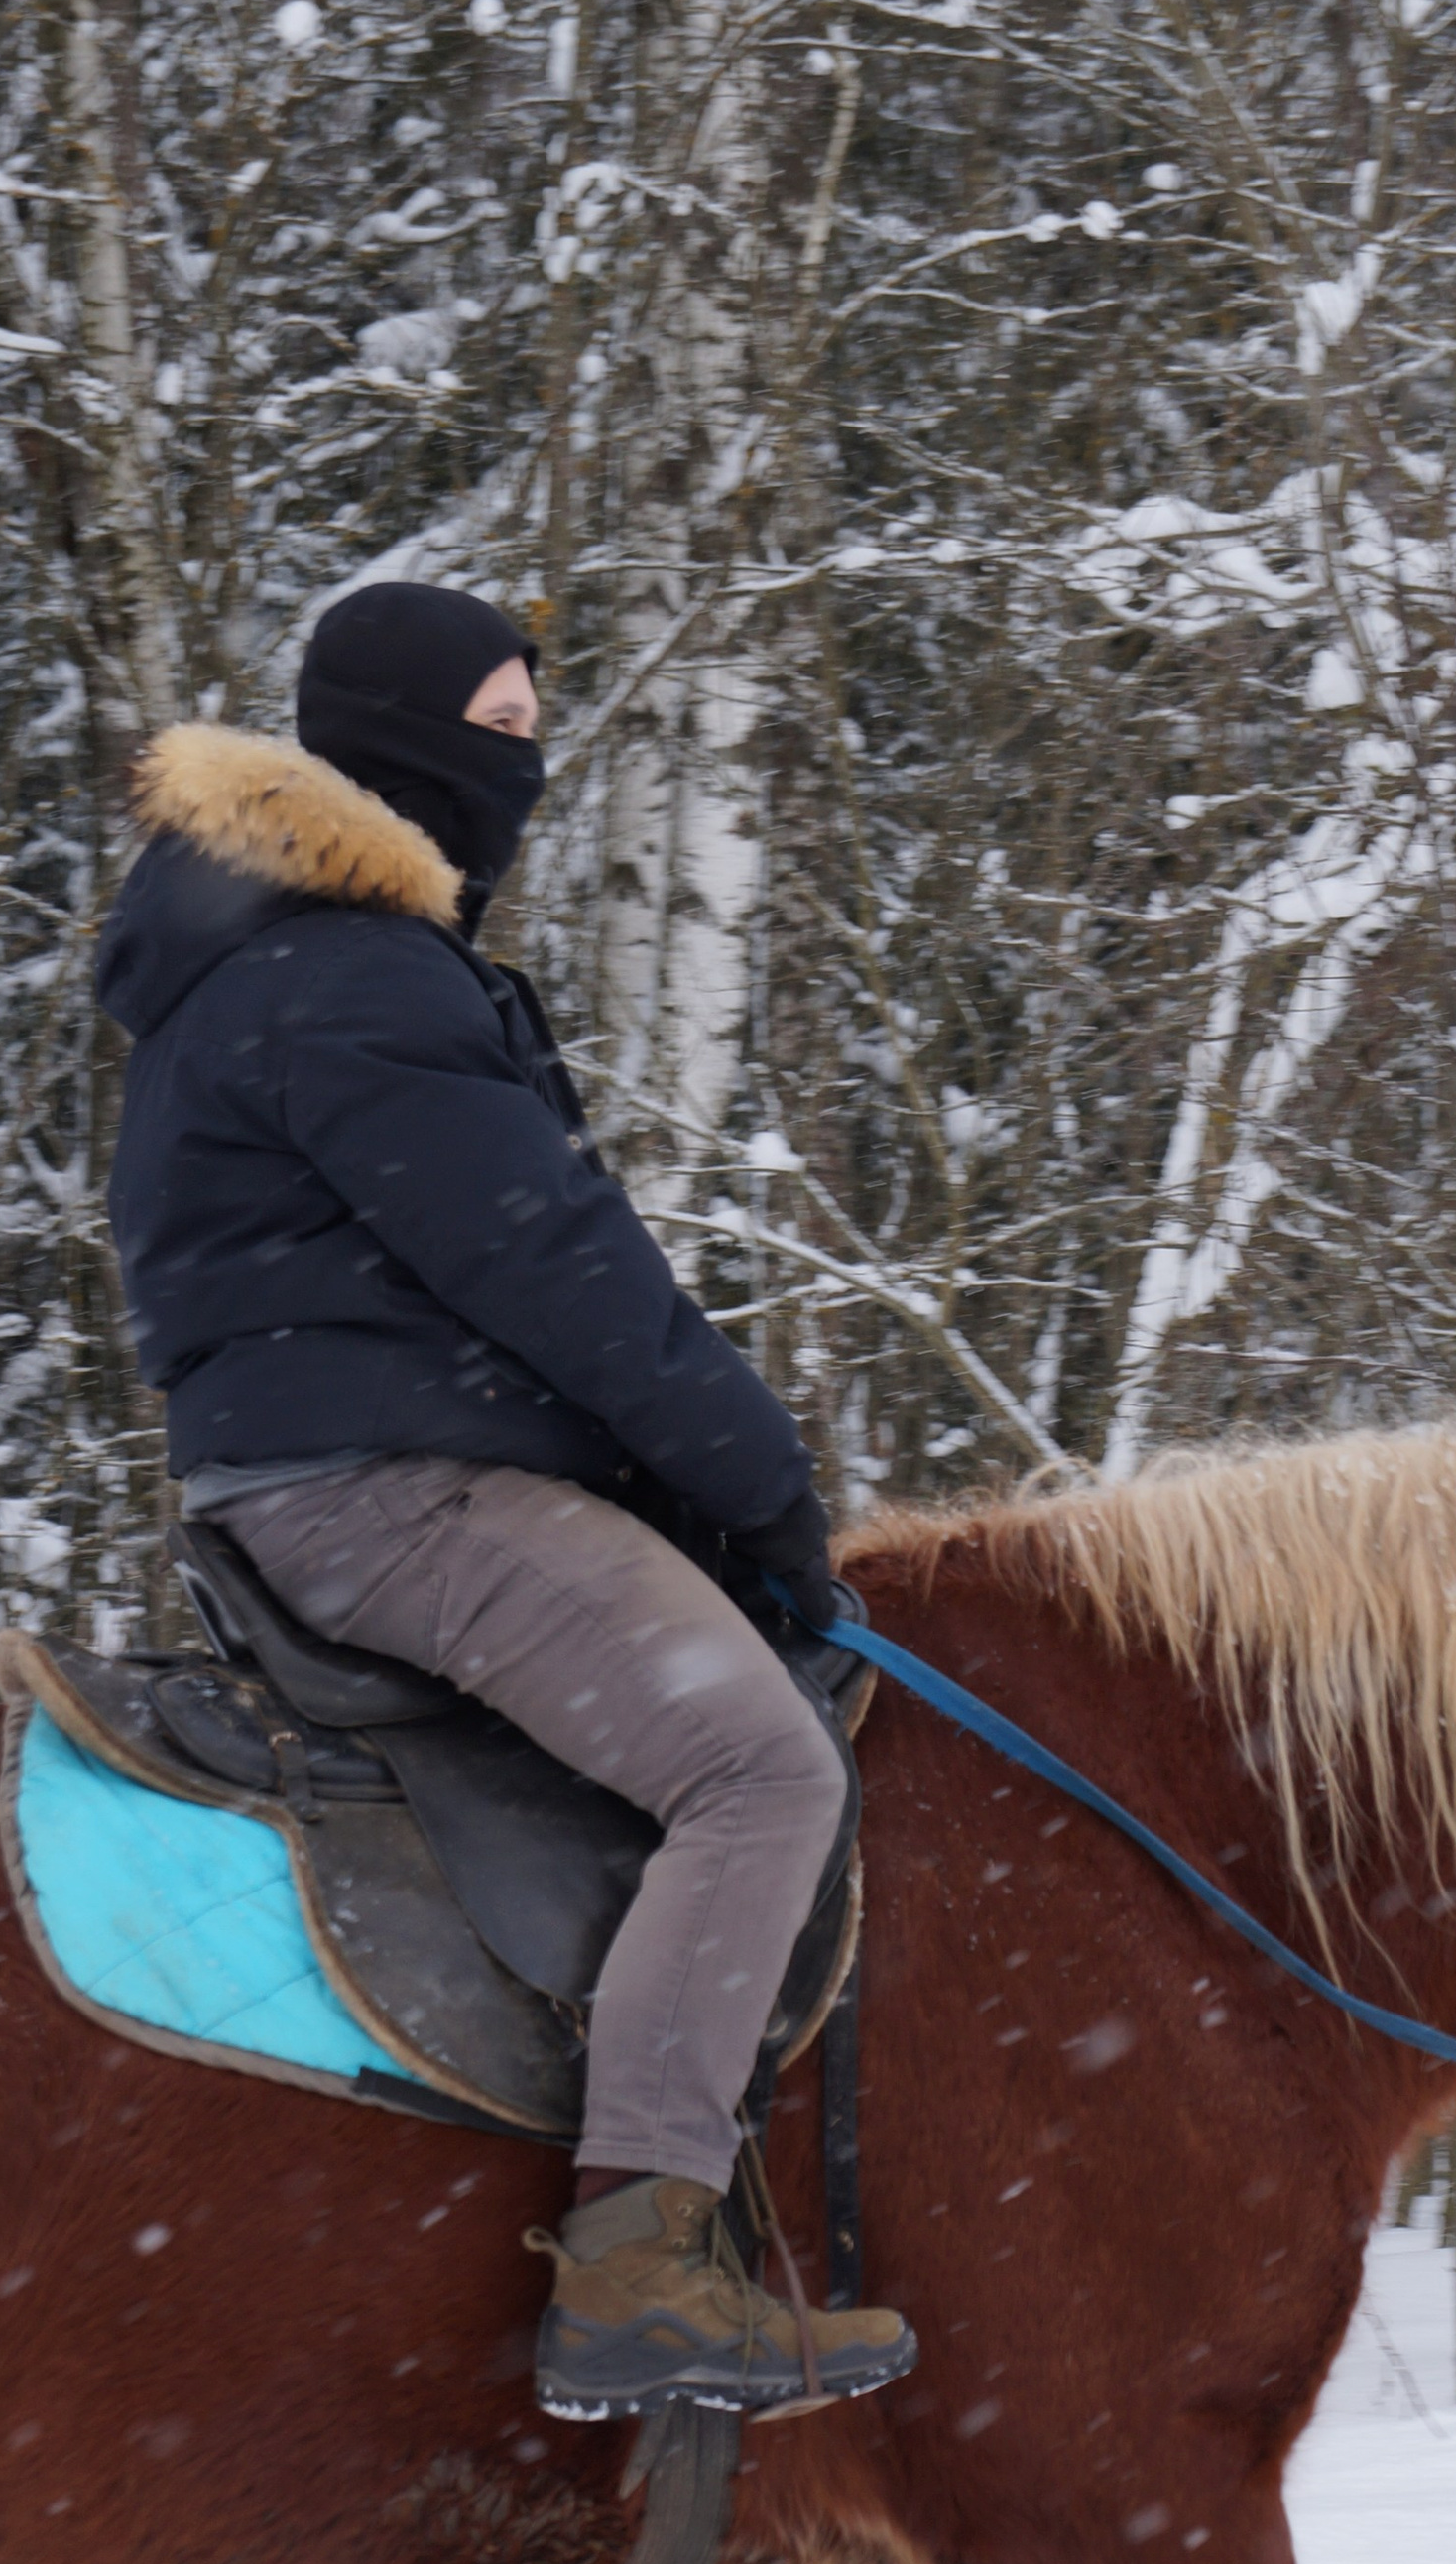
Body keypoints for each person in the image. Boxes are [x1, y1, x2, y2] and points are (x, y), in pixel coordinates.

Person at [95, 578, 915, 2422]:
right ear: (397, 743)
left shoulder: (266, 958)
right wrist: (763, 1488)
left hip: (364, 1464)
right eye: (502, 730)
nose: (524, 769)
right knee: (761, 1767)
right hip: (391, 1493)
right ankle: (641, 2261)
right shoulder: (347, 978)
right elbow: (554, 1274)